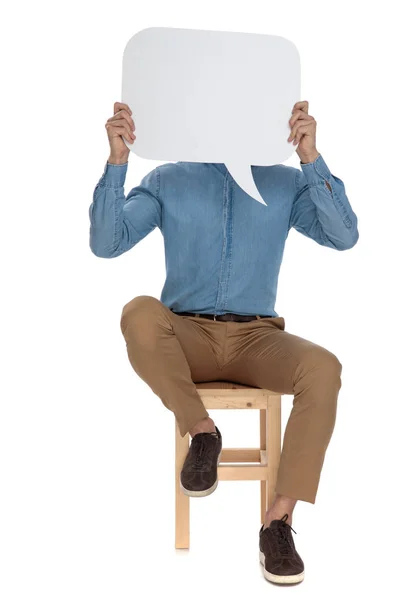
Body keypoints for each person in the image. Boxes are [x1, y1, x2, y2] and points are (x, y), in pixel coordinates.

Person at [89, 100, 359, 585]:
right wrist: (117, 162)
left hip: (258, 338)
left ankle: (278, 521)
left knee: (323, 367)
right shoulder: (170, 179)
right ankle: (203, 432)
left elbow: (344, 236)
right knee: (138, 312)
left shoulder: (284, 182)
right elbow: (107, 243)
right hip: (186, 335)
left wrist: (311, 158)